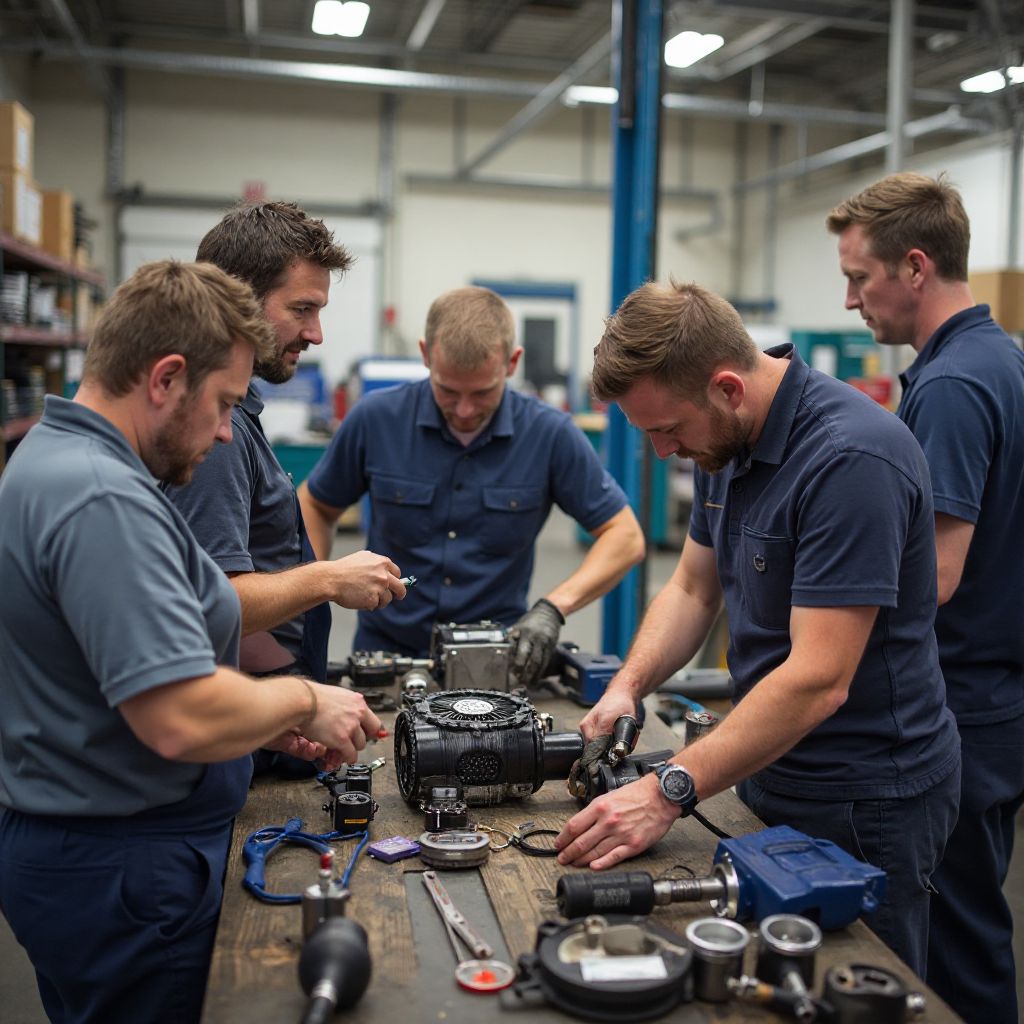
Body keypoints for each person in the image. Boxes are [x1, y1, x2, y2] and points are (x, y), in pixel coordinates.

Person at [0, 261, 382, 1024]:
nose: (220, 431)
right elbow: (175, 714)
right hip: (123, 869)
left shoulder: (62, 461)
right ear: (166, 377)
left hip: (102, 850)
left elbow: (127, 663)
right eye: (222, 405)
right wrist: (301, 698)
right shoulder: (100, 497)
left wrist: (266, 717)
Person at [553, 280, 960, 976]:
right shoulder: (727, 445)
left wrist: (666, 790)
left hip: (866, 798)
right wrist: (628, 685)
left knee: (855, 988)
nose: (660, 453)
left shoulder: (849, 460)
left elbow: (817, 681)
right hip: (766, 769)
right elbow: (690, 588)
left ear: (728, 389)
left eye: (666, 430)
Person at [827, 172, 1024, 1023]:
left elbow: (931, 579)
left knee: (957, 948)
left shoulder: (949, 388)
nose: (849, 301)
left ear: (914, 267)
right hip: (1003, 694)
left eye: (859, 278)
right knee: (976, 929)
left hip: (964, 710)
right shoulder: (1004, 356)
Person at [298, 285, 645, 684]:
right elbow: (316, 504)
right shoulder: (376, 420)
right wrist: (315, 586)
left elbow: (625, 536)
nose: (463, 410)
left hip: (495, 662)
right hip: (386, 660)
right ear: (426, 355)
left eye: (482, 393)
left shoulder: (550, 435)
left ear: (512, 363)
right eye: (447, 390)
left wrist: (553, 608)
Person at [165, 201, 405, 689]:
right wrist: (330, 579)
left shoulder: (237, 413)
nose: (316, 333)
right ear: (239, 300)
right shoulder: (215, 435)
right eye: (302, 309)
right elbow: (213, 601)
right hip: (237, 730)